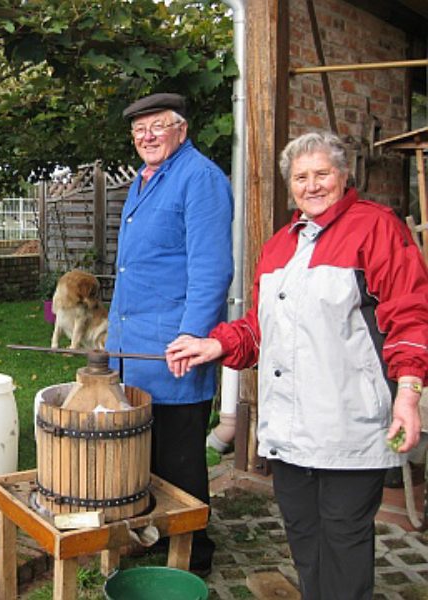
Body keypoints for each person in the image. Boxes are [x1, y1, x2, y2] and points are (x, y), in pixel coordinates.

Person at [166, 130, 428, 599]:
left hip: (348, 424)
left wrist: (407, 395)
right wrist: (216, 345)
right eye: (301, 177)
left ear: (344, 176)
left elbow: (411, 314)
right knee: (305, 540)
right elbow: (261, 327)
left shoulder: (376, 227)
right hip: (289, 430)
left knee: (344, 542)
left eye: (322, 173)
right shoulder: (280, 246)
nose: (312, 185)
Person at [106, 92, 234, 577]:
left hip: (172, 349)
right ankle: (159, 537)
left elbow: (211, 269)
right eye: (139, 130)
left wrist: (191, 336)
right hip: (133, 348)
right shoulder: (145, 179)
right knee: (149, 455)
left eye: (157, 126)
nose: (147, 137)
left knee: (180, 460)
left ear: (180, 129)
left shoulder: (199, 178)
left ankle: (193, 556)